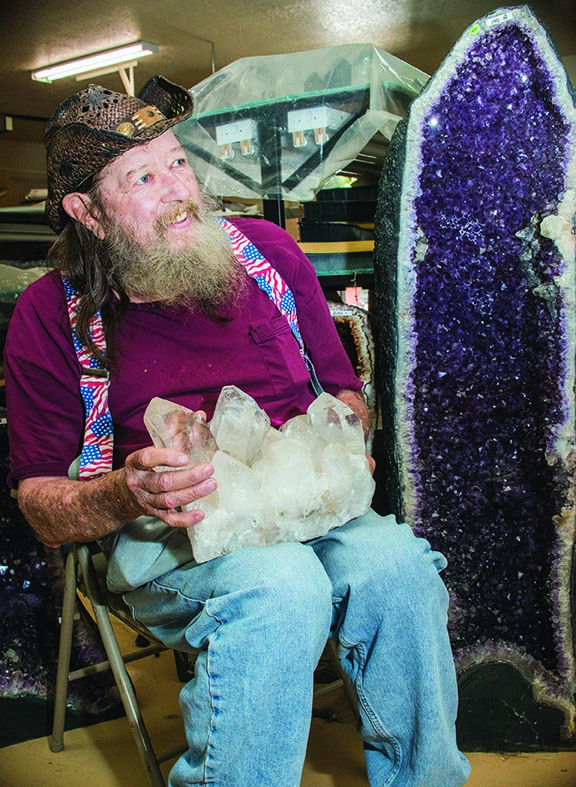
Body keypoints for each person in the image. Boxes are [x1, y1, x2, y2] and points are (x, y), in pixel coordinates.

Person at [4, 75, 470, 787]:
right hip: (168, 529)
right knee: (282, 586)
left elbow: (342, 392)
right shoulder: (48, 314)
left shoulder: (267, 254)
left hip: (304, 498)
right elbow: (40, 505)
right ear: (87, 211)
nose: (179, 188)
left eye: (179, 162)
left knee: (401, 572)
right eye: (144, 176)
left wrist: (347, 435)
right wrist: (129, 492)